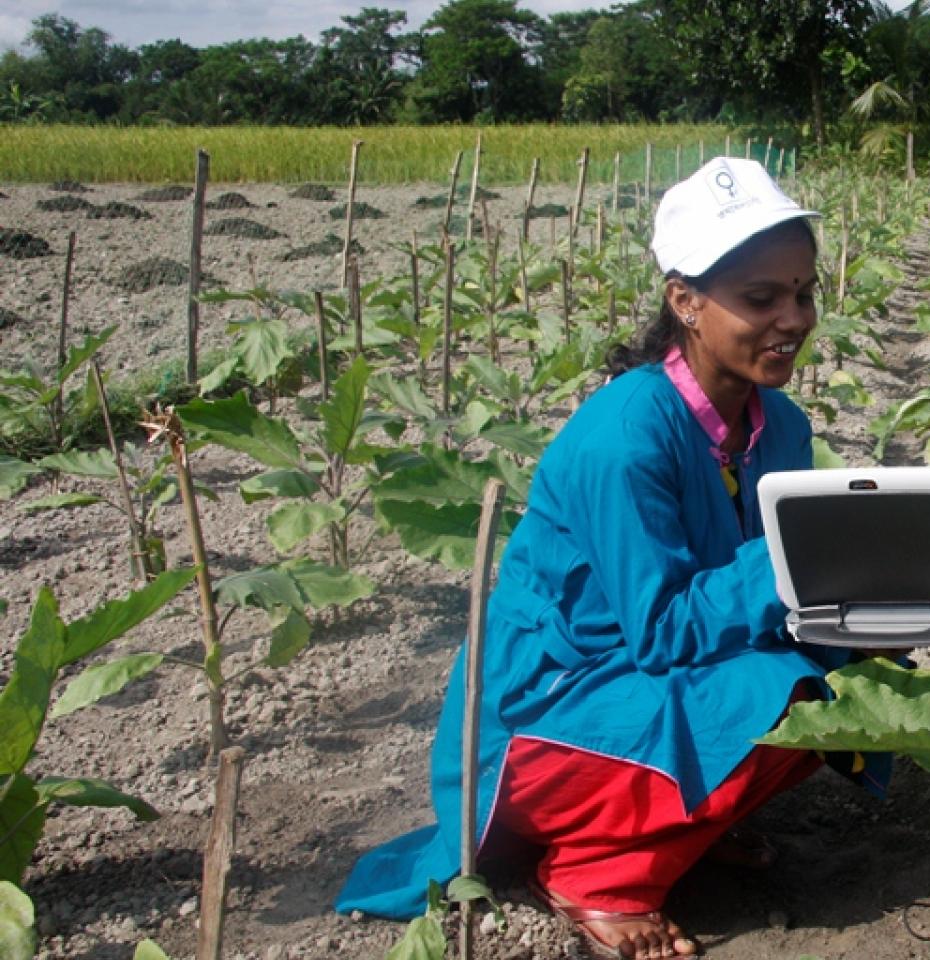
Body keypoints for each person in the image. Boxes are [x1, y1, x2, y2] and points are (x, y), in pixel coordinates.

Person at [337, 158, 882, 959]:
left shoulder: (782, 424)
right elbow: (664, 629)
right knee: (784, 689)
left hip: (635, 676)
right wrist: (806, 554)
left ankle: (687, 827)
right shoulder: (625, 438)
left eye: (803, 293)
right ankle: (595, 873)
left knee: (848, 667)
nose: (792, 318)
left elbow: (755, 589)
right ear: (685, 302)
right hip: (547, 705)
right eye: (760, 299)